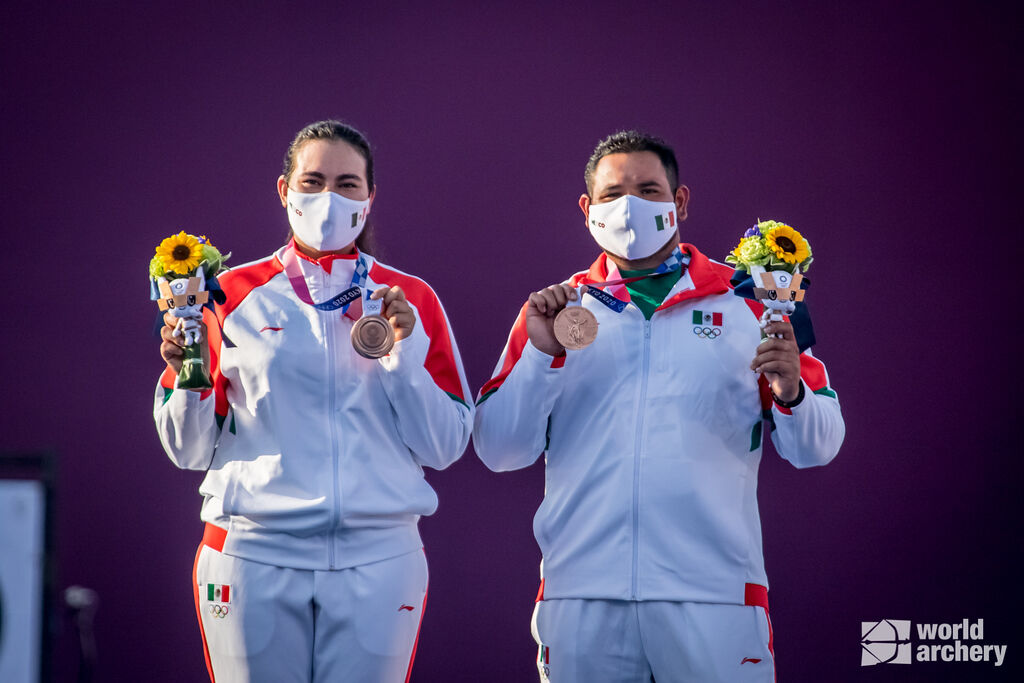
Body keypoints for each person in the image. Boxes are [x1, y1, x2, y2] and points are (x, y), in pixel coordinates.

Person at [472, 130, 845, 682]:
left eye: (649, 190)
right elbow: (499, 450)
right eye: (613, 193)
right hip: (582, 601)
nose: (630, 207)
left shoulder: (753, 300)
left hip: (716, 600)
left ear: (681, 202)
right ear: (587, 208)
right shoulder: (555, 312)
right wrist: (543, 355)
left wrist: (792, 392)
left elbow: (819, 446)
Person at [154, 120, 473, 682]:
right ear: (284, 190)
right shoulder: (228, 295)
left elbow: (445, 446)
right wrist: (188, 376)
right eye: (314, 180)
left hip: (380, 558)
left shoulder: (410, 299)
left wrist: (400, 358)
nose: (329, 198)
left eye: (348, 184)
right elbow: (187, 449)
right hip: (252, 554)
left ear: (370, 198)